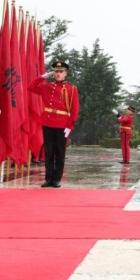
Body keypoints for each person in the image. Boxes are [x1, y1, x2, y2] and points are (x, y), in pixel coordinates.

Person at [29, 60, 80, 188]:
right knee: (49, 152)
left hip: (62, 123)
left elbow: (74, 109)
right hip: (47, 121)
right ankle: (48, 178)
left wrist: (70, 126)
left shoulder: (72, 89)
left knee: (60, 152)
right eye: (56, 72)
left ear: (65, 73)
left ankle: (57, 179)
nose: (58, 74)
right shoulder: (47, 87)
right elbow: (31, 87)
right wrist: (42, 77)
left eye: (61, 72)